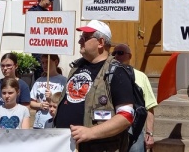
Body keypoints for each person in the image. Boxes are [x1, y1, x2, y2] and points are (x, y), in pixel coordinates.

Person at [54, 20, 134, 152]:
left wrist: (90, 133)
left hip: (99, 147)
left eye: (85, 38)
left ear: (101, 43)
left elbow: (126, 116)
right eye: (81, 38)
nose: (80, 42)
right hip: (67, 145)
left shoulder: (116, 72)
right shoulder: (76, 67)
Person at [112, 43, 158, 152]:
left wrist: (149, 133)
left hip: (135, 129)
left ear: (129, 56)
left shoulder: (141, 77)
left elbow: (149, 107)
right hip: (113, 129)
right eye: (114, 53)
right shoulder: (108, 75)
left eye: (121, 53)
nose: (116, 56)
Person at [0, 52, 31, 127]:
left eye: (8, 65)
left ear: (16, 66)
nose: (5, 68)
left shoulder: (23, 86)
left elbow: (26, 113)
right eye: (2, 66)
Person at [30, 54, 66, 129]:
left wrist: (51, 99)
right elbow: (31, 103)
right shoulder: (39, 81)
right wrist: (40, 105)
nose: (44, 65)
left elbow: (66, 104)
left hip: (55, 123)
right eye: (42, 63)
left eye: (47, 62)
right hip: (39, 123)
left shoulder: (63, 81)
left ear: (56, 62)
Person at [27, 0, 55, 81]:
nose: (48, 6)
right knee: (39, 67)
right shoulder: (33, 11)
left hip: (45, 44)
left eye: (49, 4)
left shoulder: (47, 13)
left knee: (47, 67)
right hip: (37, 44)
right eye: (47, 3)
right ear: (42, 0)